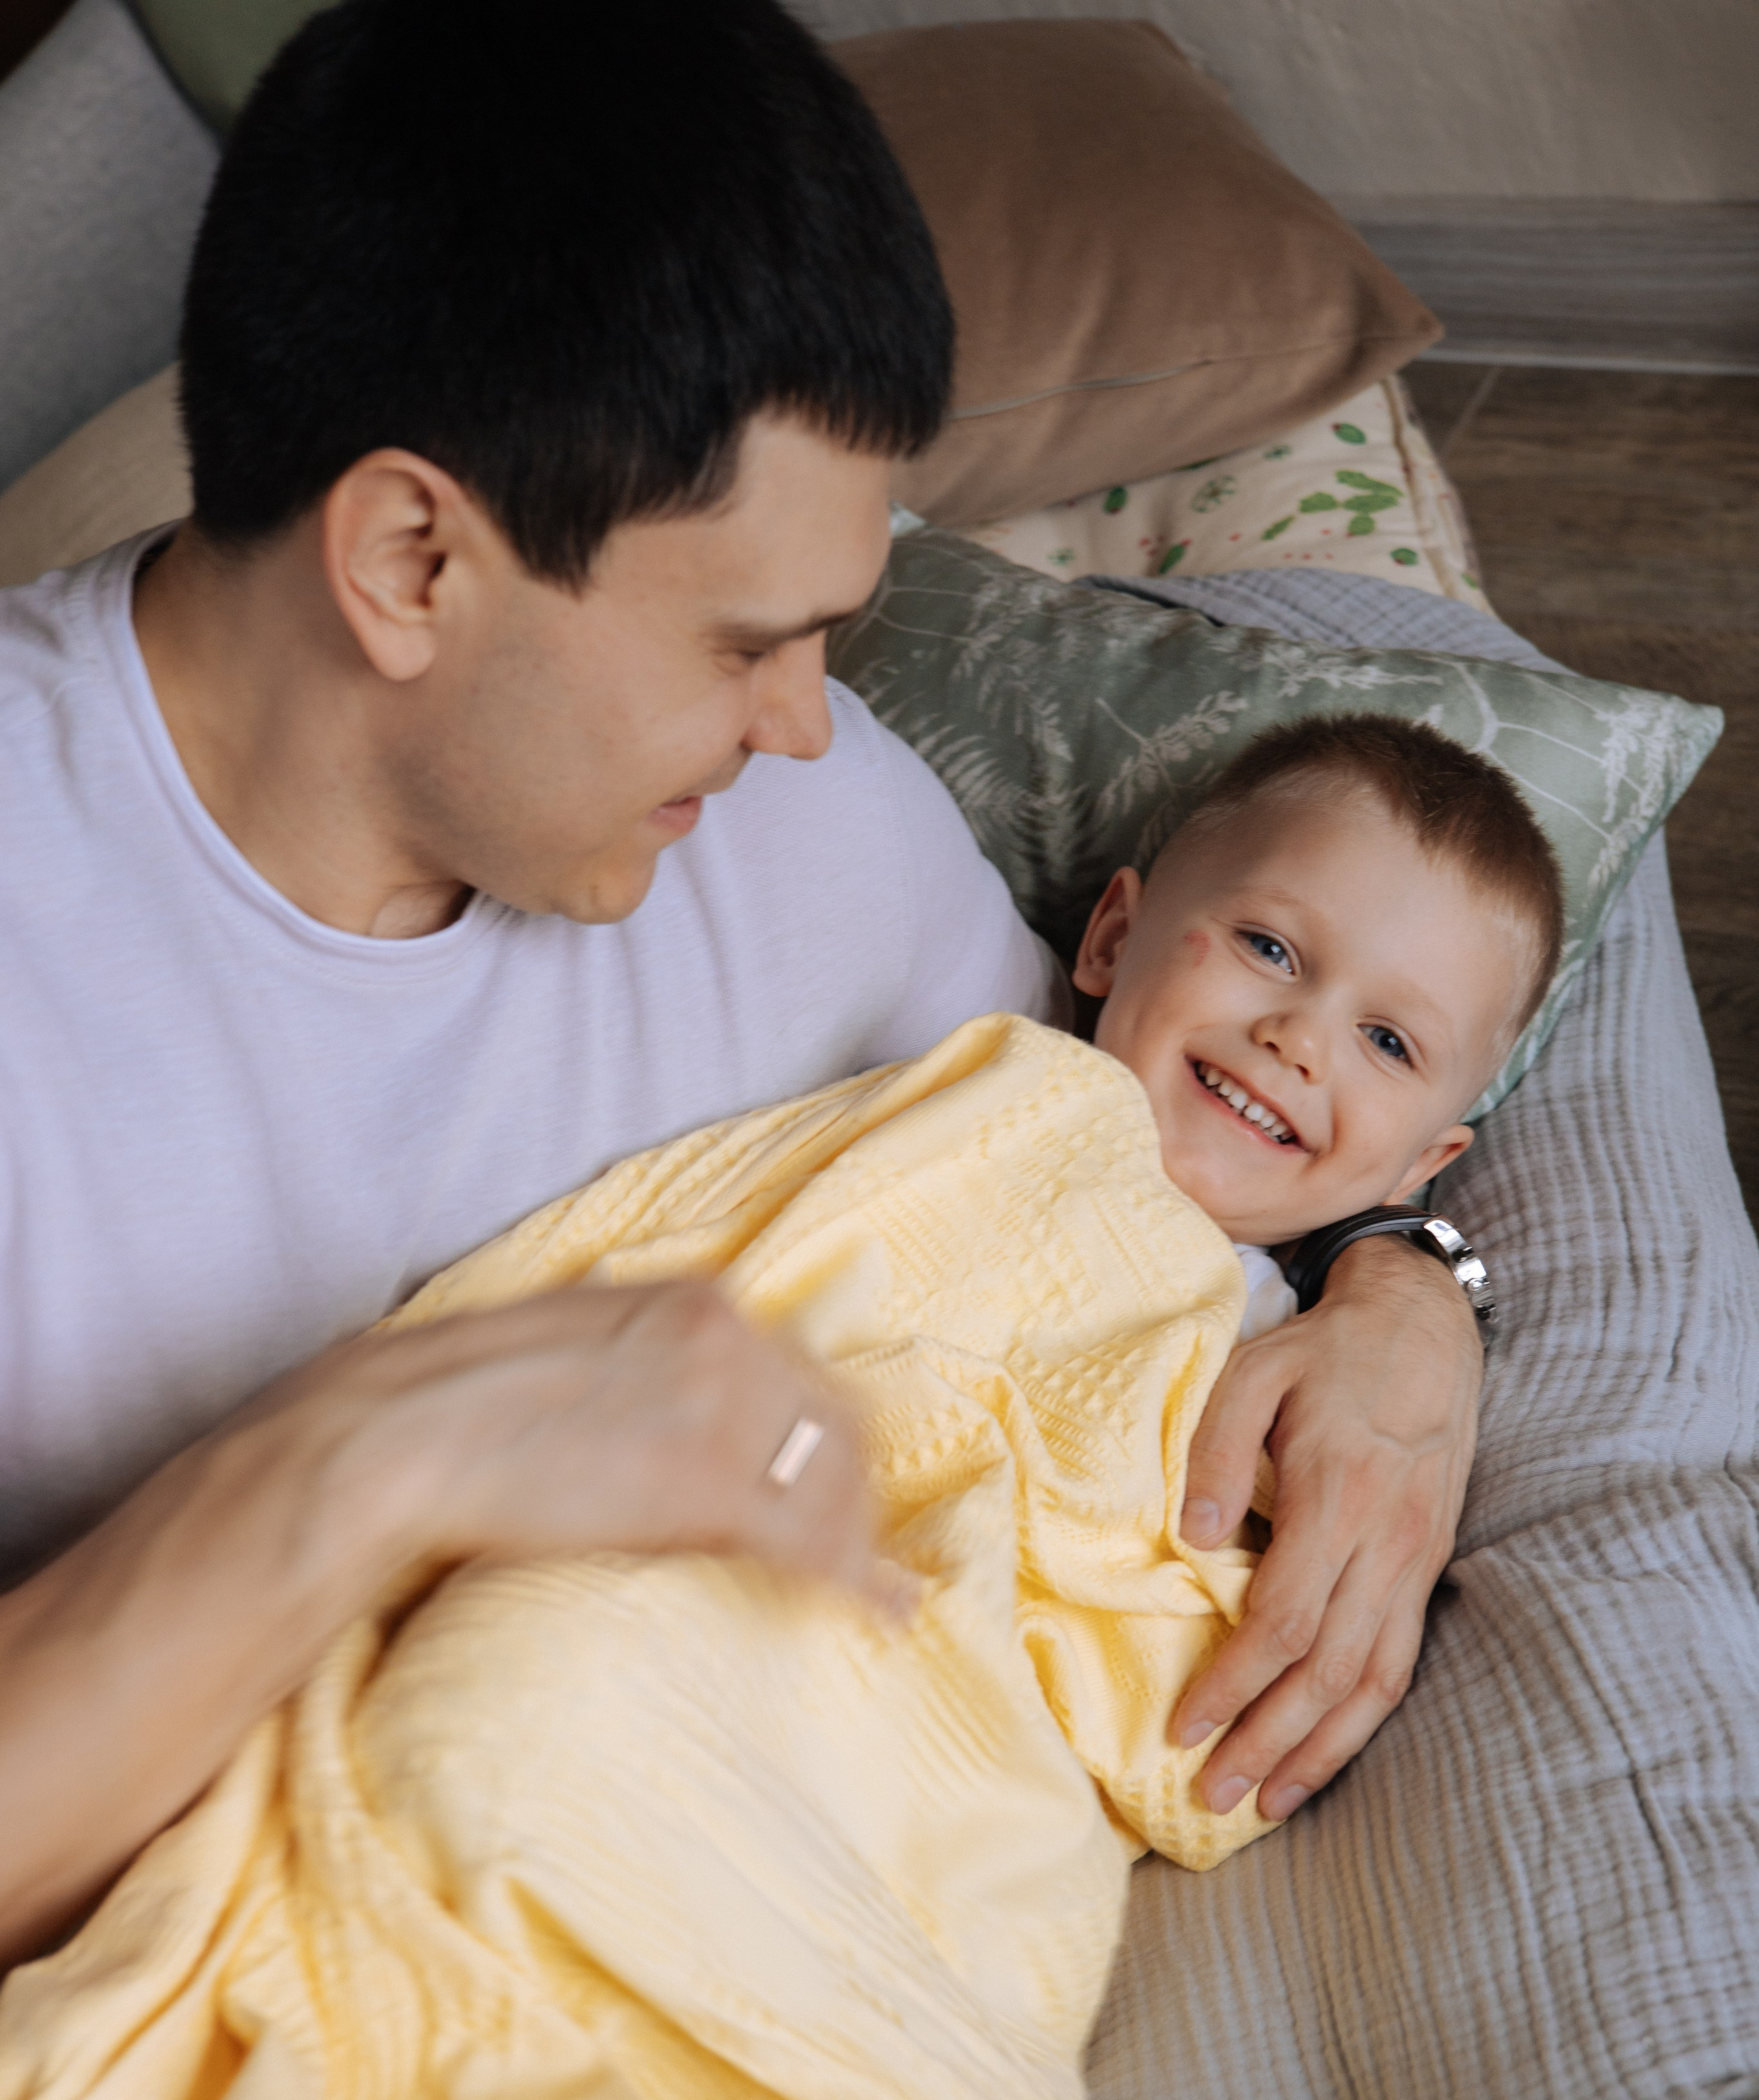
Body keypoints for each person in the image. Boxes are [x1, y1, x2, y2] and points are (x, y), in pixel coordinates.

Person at [0, 0, 1484, 1973]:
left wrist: (1408, 1300)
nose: (805, 725)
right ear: (410, 563)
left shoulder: (818, 840)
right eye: (744, 645)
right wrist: (379, 1452)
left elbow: (1120, 1188)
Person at [1072, 711, 1563, 1389]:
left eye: (1389, 1042)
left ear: (1415, 1168)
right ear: (1114, 940)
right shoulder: (952, 1083)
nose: (1300, 1041)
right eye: (1269, 949)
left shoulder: (1290, 1372)